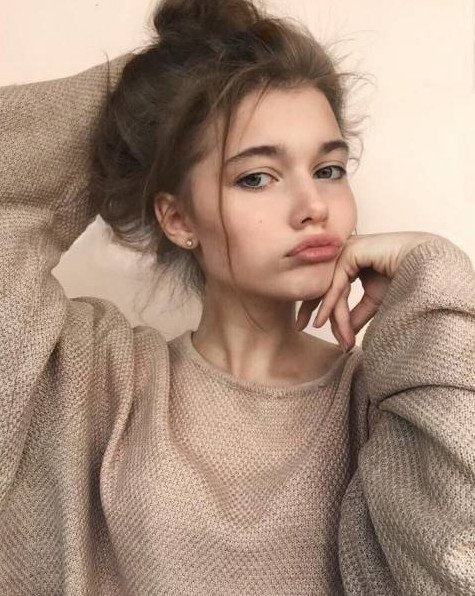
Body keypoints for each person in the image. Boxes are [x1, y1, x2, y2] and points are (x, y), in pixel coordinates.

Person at [0, 0, 473, 594]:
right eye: (256, 177)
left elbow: (460, 565)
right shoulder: (92, 380)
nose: (314, 206)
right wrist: (176, 69)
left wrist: (433, 282)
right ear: (178, 218)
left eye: (328, 169)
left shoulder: (386, 407)